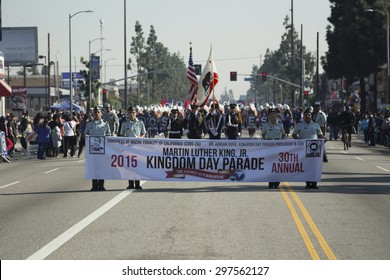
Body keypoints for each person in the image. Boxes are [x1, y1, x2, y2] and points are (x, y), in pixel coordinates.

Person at [292, 108, 325, 189]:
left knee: (314, 166)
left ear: (311, 116)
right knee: (306, 166)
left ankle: (314, 183)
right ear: (304, 116)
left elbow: (320, 135)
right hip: (303, 148)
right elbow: (294, 134)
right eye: (306, 115)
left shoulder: (316, 125)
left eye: (309, 115)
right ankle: (308, 183)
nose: (307, 116)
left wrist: (323, 138)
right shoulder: (299, 125)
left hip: (314, 149)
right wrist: (299, 141)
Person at [119, 105, 146, 190]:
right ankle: (130, 184)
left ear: (136, 113)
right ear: (127, 114)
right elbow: (121, 135)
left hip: (137, 147)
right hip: (128, 147)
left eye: (133, 112)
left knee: (137, 166)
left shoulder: (140, 123)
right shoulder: (125, 123)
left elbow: (143, 133)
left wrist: (139, 139)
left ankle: (137, 184)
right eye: (130, 113)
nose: (131, 114)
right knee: (129, 166)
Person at [84, 107, 111, 191]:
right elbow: (85, 133)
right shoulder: (89, 124)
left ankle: (101, 185)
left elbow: (109, 135)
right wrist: (86, 137)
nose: (96, 113)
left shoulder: (105, 124)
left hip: (103, 150)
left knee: (102, 167)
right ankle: (94, 185)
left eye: (98, 112)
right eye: (95, 112)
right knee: (93, 167)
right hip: (92, 151)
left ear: (101, 114)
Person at [262, 108, 286, 188]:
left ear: (276, 115)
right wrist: (265, 142)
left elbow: (283, 134)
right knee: (269, 165)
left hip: (278, 147)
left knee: (277, 165)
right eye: (270, 115)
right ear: (268, 116)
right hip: (269, 147)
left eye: (273, 114)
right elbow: (263, 135)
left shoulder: (280, 125)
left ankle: (276, 181)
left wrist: (282, 141)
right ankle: (270, 181)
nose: (272, 116)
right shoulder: (265, 125)